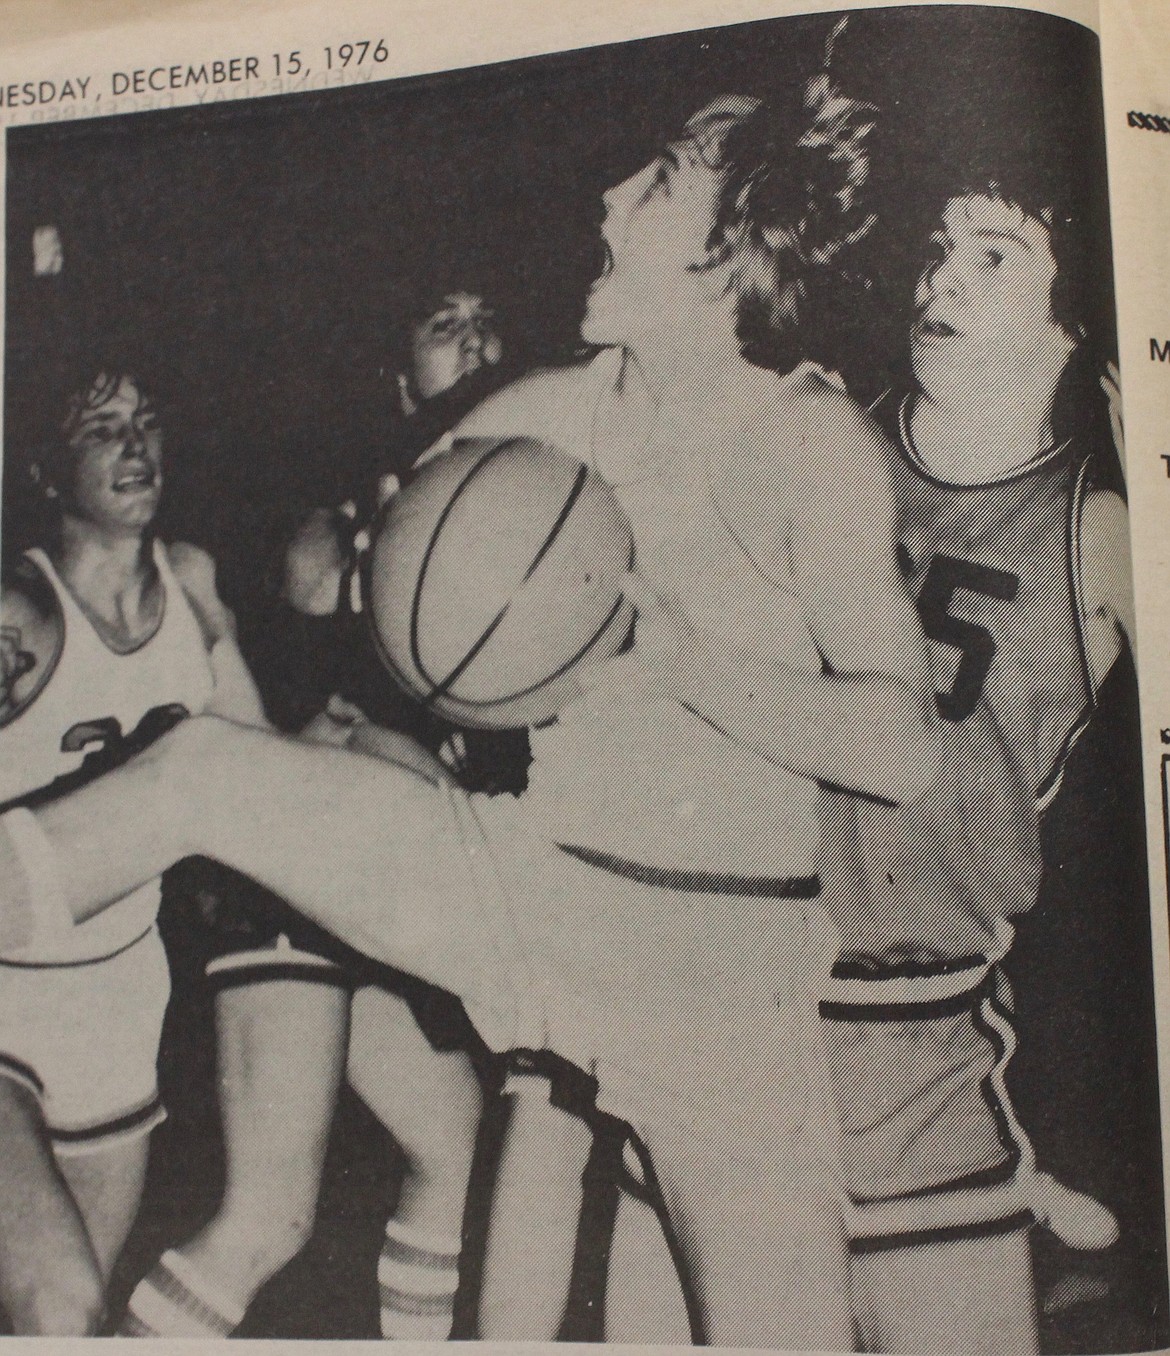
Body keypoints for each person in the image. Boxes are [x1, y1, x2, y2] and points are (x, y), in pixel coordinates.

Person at [0, 67, 1037, 1346]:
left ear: (725, 255)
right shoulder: (550, 412)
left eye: (650, 185)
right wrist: (363, 551)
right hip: (527, 887)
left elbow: (897, 748)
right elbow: (333, 564)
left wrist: (671, 654)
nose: (605, 196)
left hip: (713, 971)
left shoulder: (806, 443)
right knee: (197, 765)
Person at [122, 289, 509, 1341]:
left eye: (490, 319)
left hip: (365, 884)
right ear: (397, 384)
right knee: (268, 1216)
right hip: (281, 876)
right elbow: (292, 723)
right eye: (443, 322)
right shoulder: (341, 525)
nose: (475, 337)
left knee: (454, 1143)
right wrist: (394, 755)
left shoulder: (512, 511)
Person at [821, 179, 1133, 1353]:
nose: (940, 277)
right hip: (742, 975)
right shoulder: (828, 434)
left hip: (911, 1016)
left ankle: (1018, 1164)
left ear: (1077, 316)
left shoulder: (1096, 526)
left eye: (994, 256)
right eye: (937, 245)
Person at [0, 364, 265, 1335]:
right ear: (45, 465)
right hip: (4, 987)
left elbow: (258, 768)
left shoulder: (190, 583)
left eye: (147, 421)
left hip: (118, 1000)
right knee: (58, 1299)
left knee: (65, 1321)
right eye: (102, 427)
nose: (134, 443)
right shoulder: (18, 615)